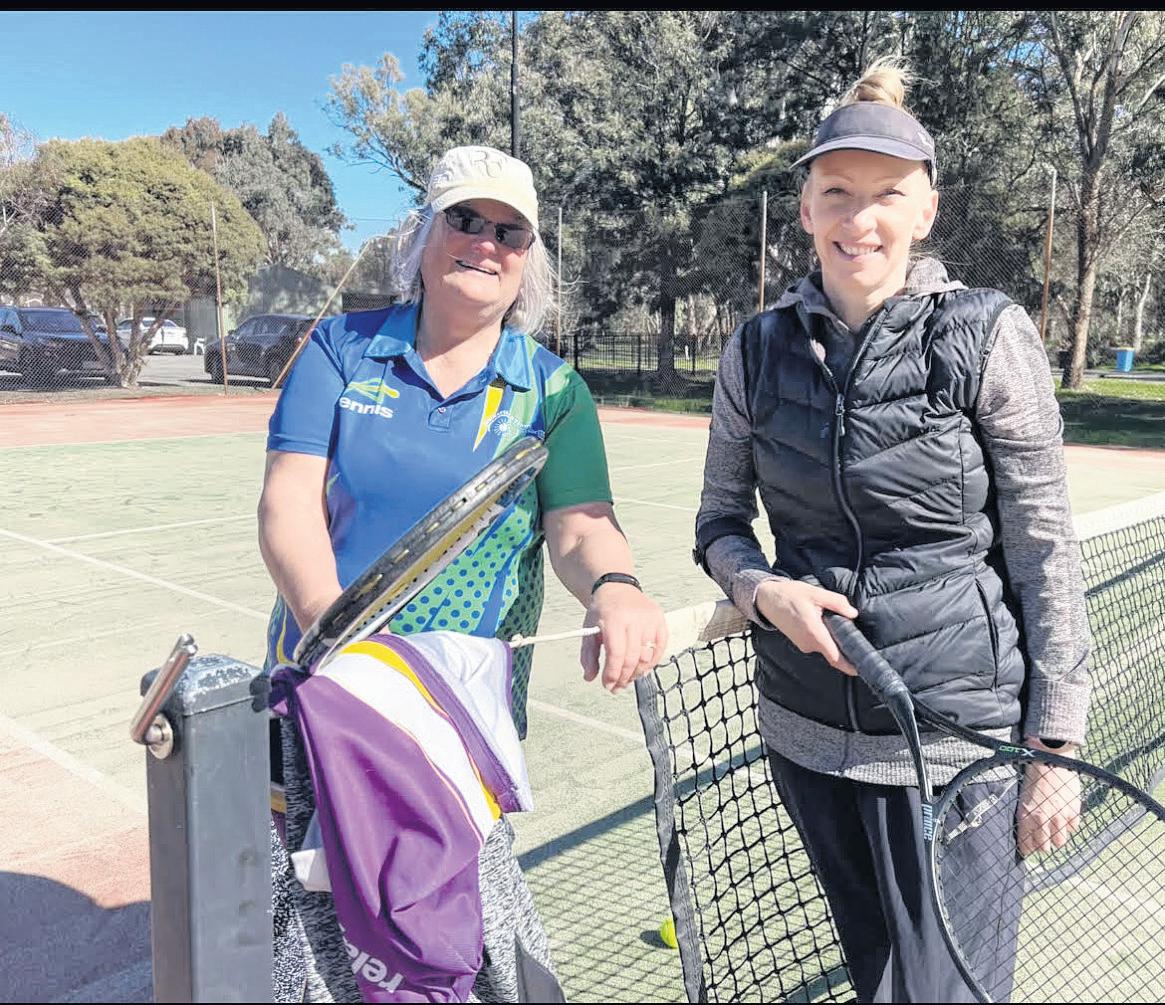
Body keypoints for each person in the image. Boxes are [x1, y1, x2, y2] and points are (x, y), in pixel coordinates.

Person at [693, 61, 1091, 1003]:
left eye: (886, 195)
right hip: (804, 731)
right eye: (836, 192)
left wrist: (1055, 750)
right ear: (804, 209)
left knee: (952, 992)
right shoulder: (753, 349)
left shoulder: (985, 335)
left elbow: (1043, 547)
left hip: (954, 746)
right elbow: (718, 521)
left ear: (925, 211)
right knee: (876, 981)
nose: (858, 218)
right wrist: (760, 590)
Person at [259, 144, 668, 1001]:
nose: (485, 242)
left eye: (509, 232)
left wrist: (616, 587)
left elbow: (579, 526)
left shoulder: (553, 391)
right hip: (323, 699)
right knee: (309, 949)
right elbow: (289, 503)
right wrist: (342, 649)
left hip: (455, 719)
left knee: (459, 948)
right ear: (423, 235)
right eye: (464, 219)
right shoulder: (339, 348)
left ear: (527, 260)